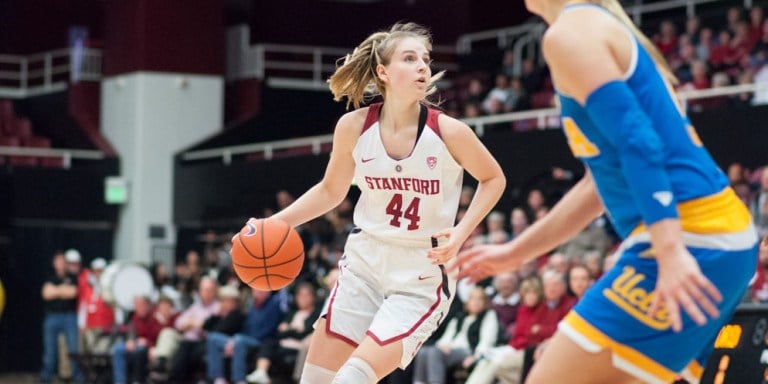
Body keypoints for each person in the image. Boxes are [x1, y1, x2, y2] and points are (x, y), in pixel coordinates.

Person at [452, 1, 759, 383]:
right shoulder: (595, 27)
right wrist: (515, 252)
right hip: (716, 238)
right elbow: (597, 186)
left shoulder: (570, 33)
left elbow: (639, 142)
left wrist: (669, 249)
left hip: (692, 238)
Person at [234, 22, 505, 384]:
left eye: (425, 59)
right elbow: (331, 191)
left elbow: (493, 178)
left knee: (352, 378)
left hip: (420, 271)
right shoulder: (353, 126)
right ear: (383, 72)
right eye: (409, 58)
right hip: (364, 261)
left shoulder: (449, 132)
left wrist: (461, 233)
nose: (423, 66)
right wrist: (275, 224)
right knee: (314, 380)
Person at [40, 251, 82, 384]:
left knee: (73, 350)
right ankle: (46, 377)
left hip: (69, 316)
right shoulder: (49, 277)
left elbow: (73, 292)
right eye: (58, 261)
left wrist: (55, 290)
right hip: (52, 317)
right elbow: (46, 294)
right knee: (50, 351)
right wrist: (63, 289)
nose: (60, 264)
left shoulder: (72, 277)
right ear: (54, 263)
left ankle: (78, 378)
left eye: (63, 261)